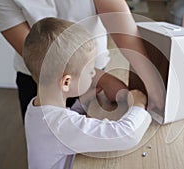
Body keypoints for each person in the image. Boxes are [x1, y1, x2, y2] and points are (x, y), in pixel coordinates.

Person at [0, 0, 166, 120]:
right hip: (40, 80)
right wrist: (102, 79)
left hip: (91, 72)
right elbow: (36, 52)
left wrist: (150, 76)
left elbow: (113, 11)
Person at [23, 17, 152, 169]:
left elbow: (63, 121)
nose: (93, 75)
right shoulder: (60, 126)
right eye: (91, 70)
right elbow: (126, 135)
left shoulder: (36, 107)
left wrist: (81, 104)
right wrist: (138, 104)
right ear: (66, 82)